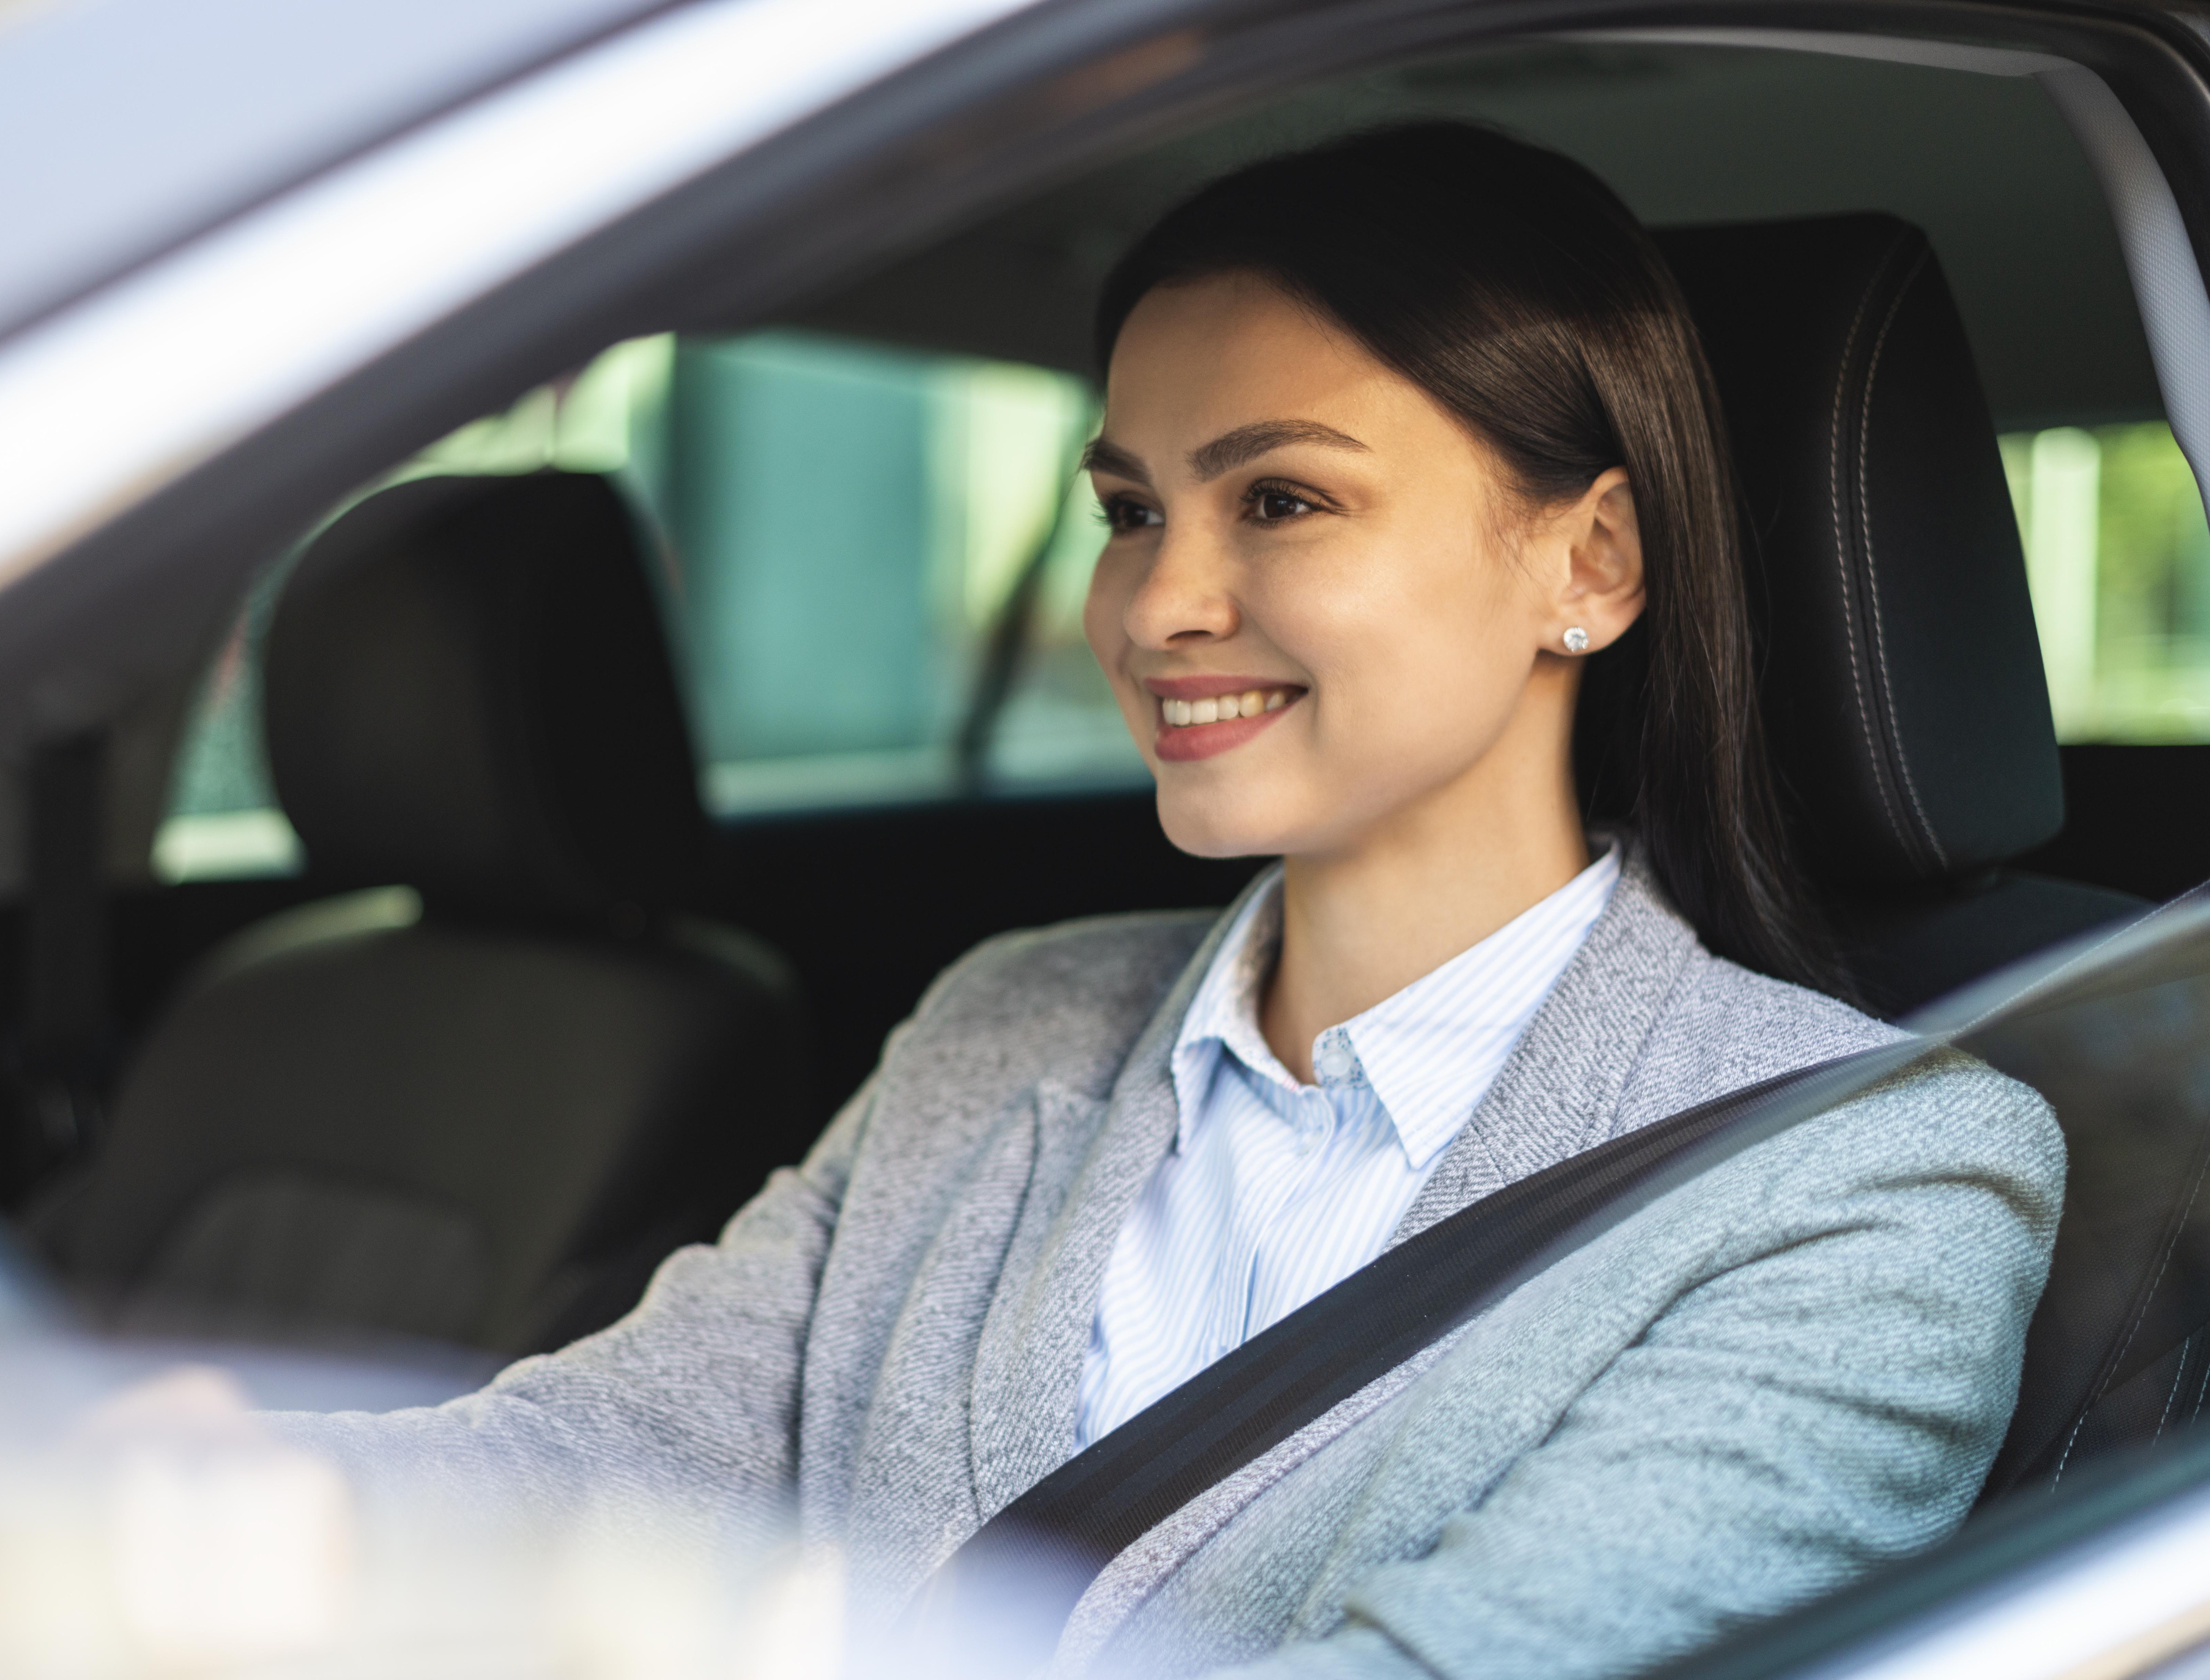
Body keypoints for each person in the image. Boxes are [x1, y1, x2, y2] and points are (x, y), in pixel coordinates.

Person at [263, 123, 2061, 1679]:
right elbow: (631, 1443)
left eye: (1280, 498)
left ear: (1586, 564)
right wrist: (245, 1510)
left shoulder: (1863, 1182)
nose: (1154, 606)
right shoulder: (1005, 1018)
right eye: (1131, 508)